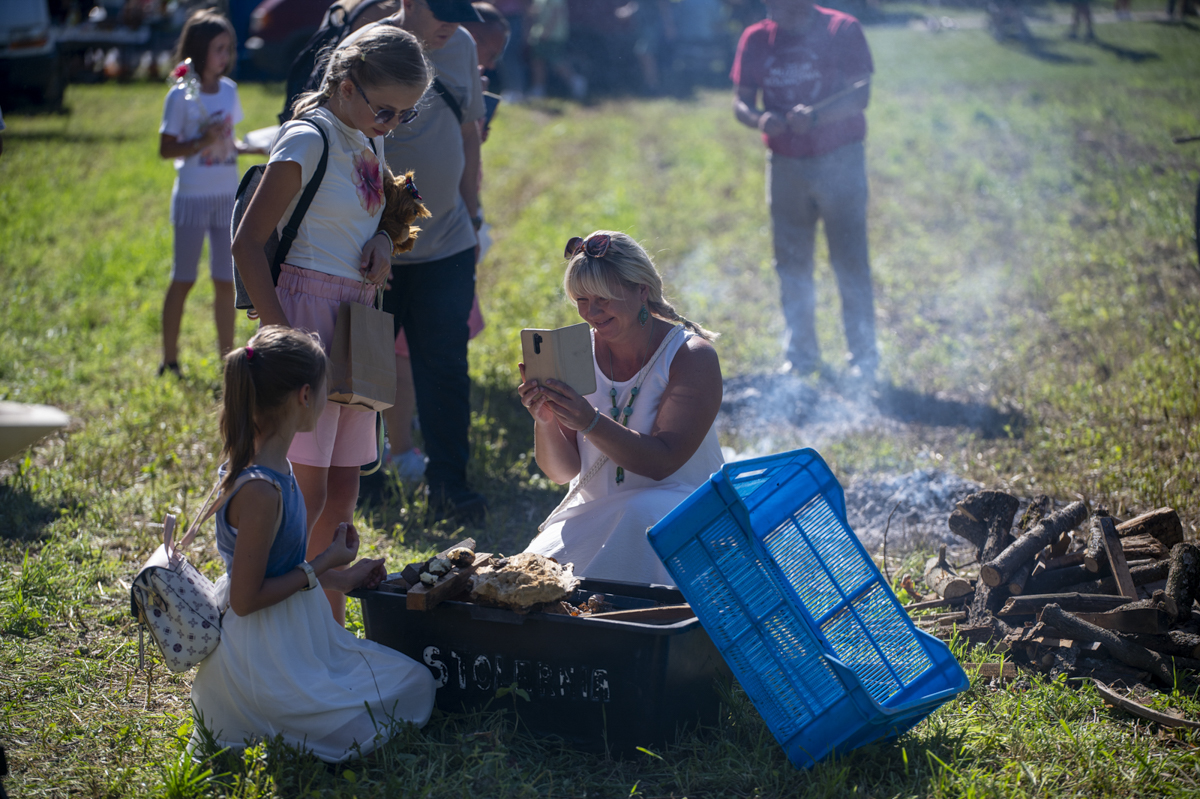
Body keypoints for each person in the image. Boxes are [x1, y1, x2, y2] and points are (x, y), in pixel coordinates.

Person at [231, 24, 430, 624]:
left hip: (355, 323)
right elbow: (247, 244)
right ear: (345, 87)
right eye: (386, 109)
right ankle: (283, 623)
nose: (393, 124)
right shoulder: (308, 139)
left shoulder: (367, 137)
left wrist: (386, 243)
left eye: (407, 115)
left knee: (343, 492)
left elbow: (375, 215)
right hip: (304, 319)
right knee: (304, 492)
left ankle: (327, 624)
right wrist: (284, 339)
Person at [189, 326, 436, 762]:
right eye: (326, 389)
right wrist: (323, 563)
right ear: (305, 396)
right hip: (263, 658)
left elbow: (278, 569)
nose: (328, 398)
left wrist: (343, 577)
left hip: (296, 637)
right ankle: (267, 714)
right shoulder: (260, 489)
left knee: (412, 681)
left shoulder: (277, 465)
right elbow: (245, 600)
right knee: (405, 693)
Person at [344, 0, 491, 521]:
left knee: (445, 369)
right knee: (365, 375)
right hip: (369, 254)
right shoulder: (365, 49)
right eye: (441, 9)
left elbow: (469, 133)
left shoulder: (463, 46)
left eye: (459, 9)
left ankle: (449, 484)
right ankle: (364, 484)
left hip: (447, 243)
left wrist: (474, 215)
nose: (452, 21)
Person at [517, 232, 724, 586]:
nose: (591, 312)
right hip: (595, 514)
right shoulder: (576, 353)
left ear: (641, 289)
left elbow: (661, 462)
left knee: (637, 515)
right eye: (581, 300)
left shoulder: (691, 356)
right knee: (530, 582)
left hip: (681, 511)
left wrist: (590, 421)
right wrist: (546, 421)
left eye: (604, 299)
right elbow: (562, 472)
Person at [732, 0, 879, 388]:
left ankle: (863, 358)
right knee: (791, 264)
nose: (768, 7)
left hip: (840, 160)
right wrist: (760, 119)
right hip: (785, 165)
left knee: (850, 262)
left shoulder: (841, 29)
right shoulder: (756, 38)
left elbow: (860, 94)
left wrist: (815, 116)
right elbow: (740, 101)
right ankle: (801, 355)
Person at [158, 9, 259, 377]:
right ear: (199, 50)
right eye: (218, 48)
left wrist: (251, 147)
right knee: (183, 278)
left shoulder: (229, 91)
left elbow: (229, 141)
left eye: (228, 48)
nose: (225, 56)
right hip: (192, 199)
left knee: (224, 280)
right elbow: (166, 149)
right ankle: (169, 360)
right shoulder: (180, 95)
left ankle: (227, 361)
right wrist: (201, 140)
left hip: (225, 198)